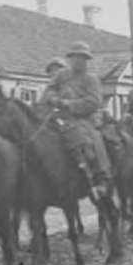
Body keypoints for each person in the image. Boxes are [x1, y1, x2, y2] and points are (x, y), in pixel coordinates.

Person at [49, 41, 111, 196]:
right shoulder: (62, 75)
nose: (77, 61)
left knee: (89, 141)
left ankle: (100, 176)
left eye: (81, 58)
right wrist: (52, 98)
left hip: (84, 118)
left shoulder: (91, 79)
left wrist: (68, 104)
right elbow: (50, 89)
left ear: (86, 60)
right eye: (74, 57)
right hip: (60, 116)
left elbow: (94, 102)